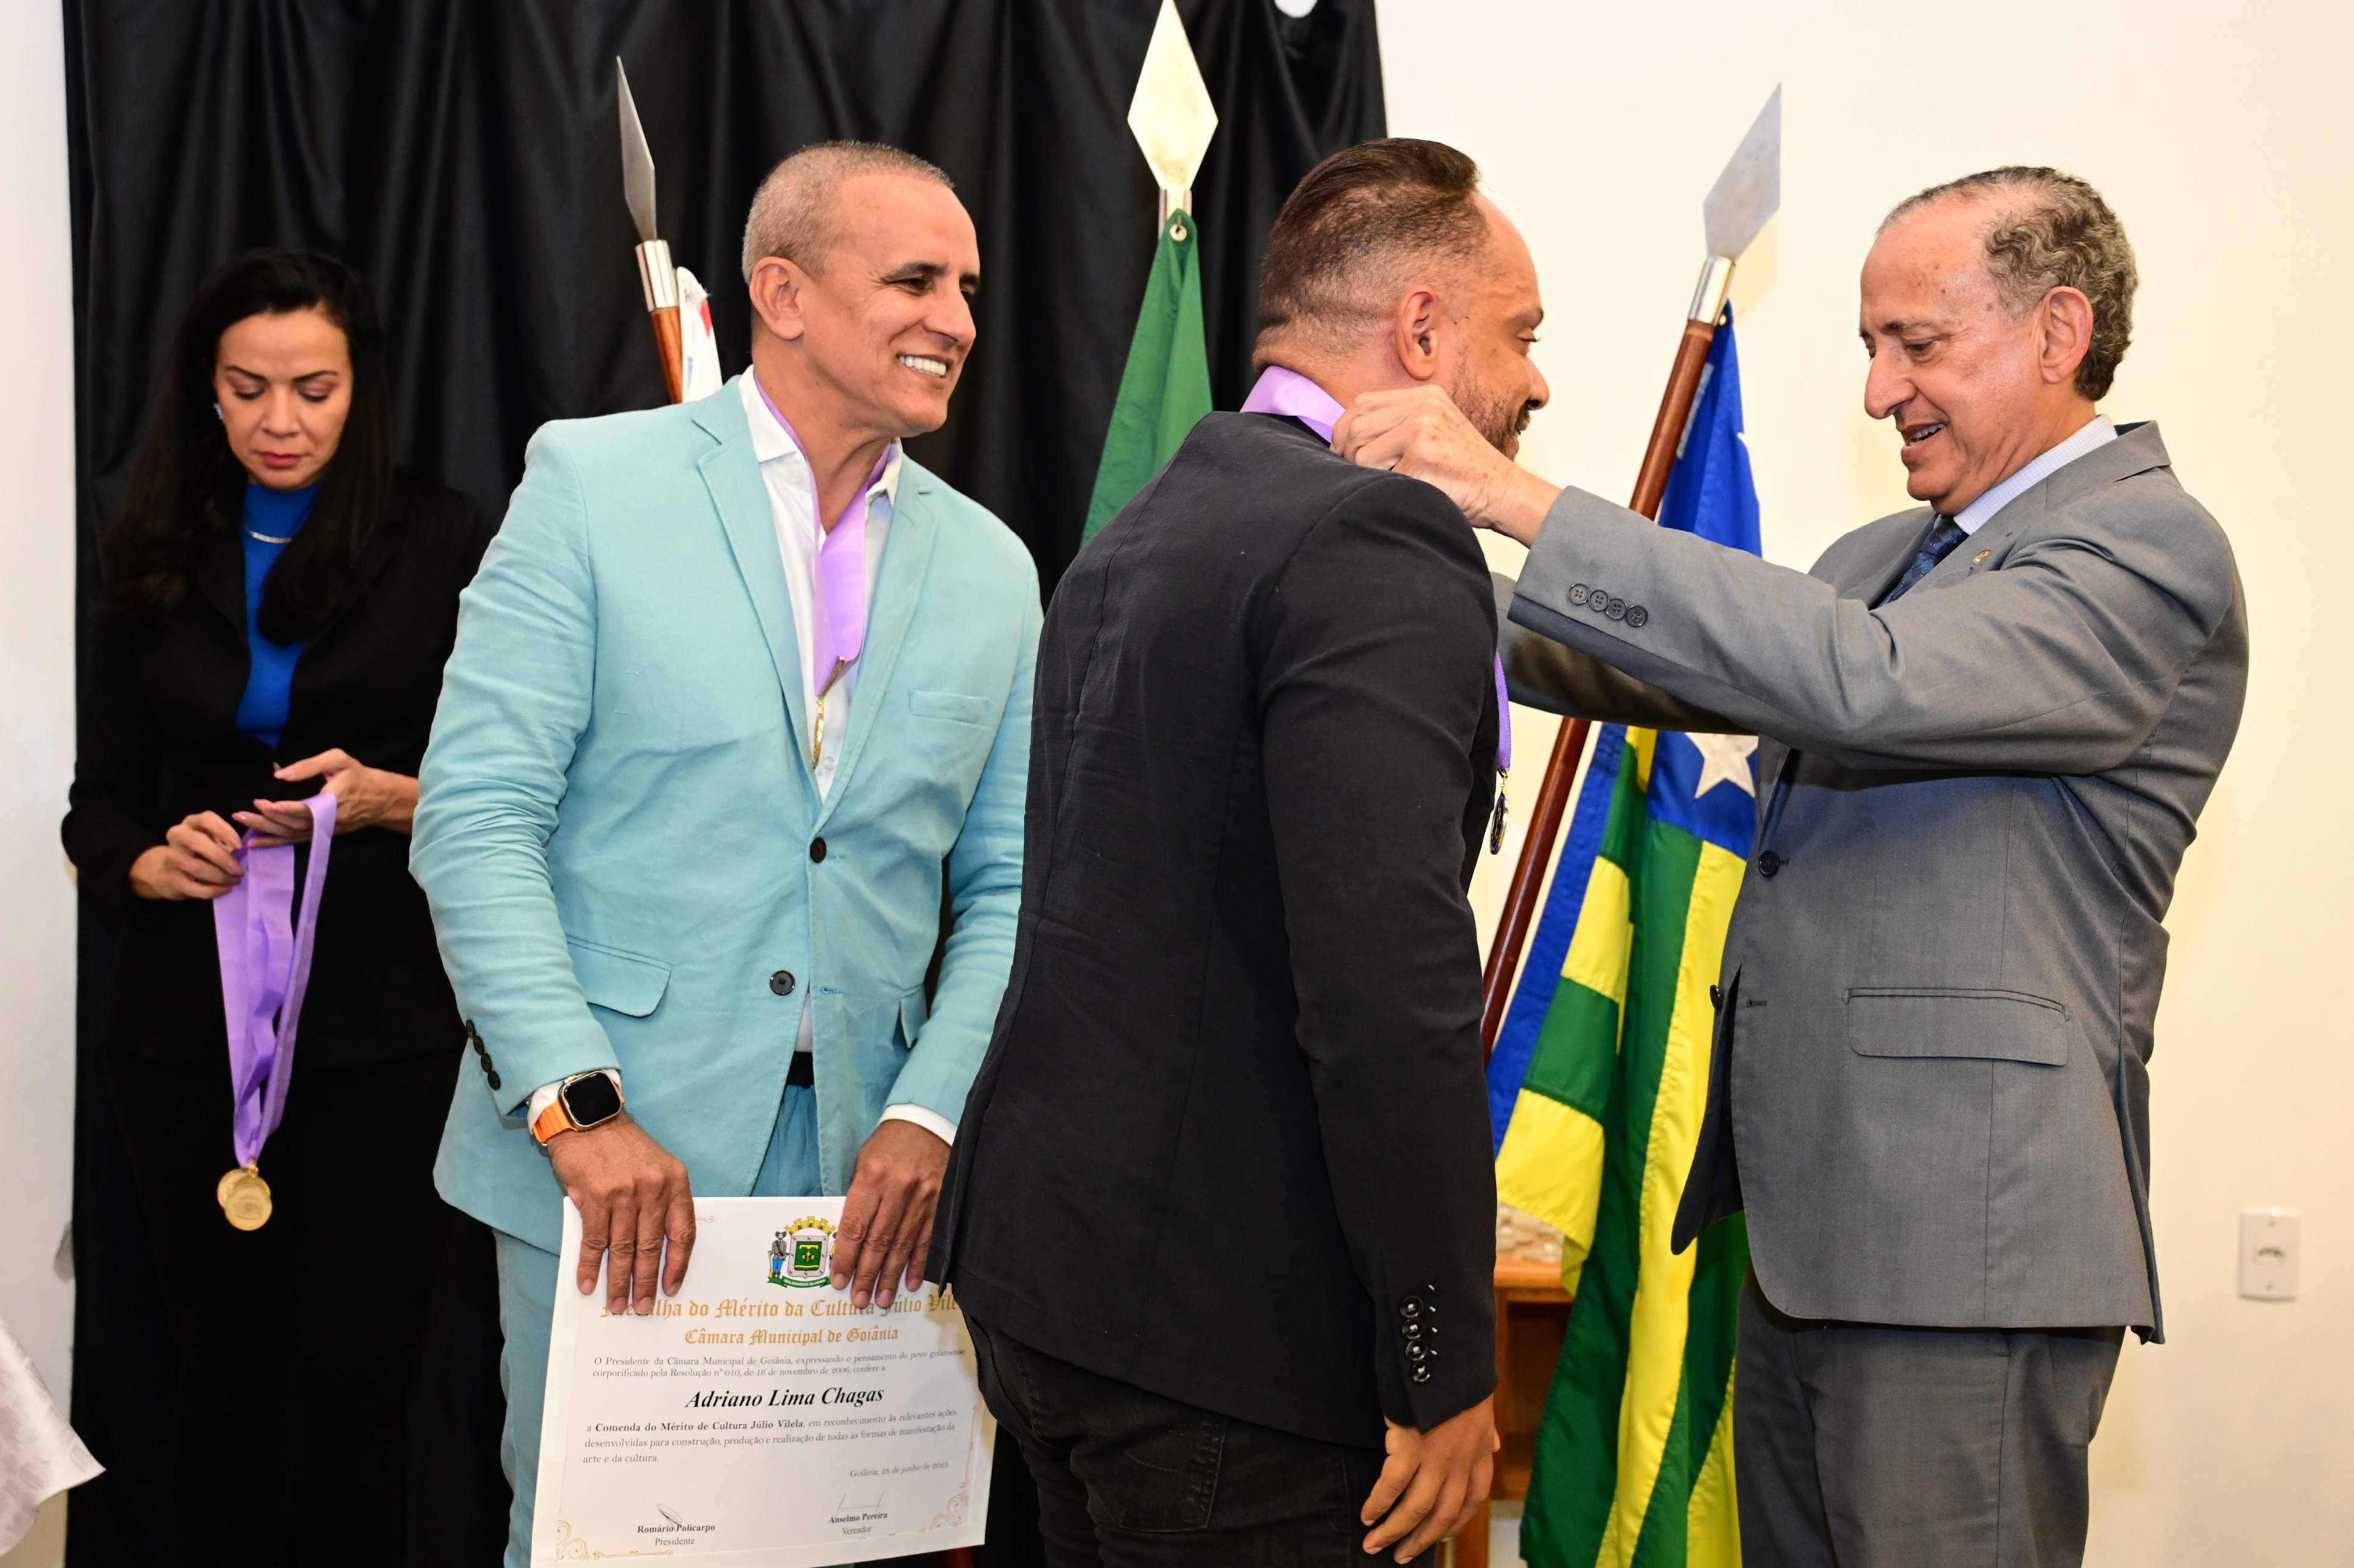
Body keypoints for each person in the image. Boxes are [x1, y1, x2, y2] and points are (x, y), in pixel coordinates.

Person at [1337, 167, 2245, 1567]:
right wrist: (1383, 581)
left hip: (1965, 1258)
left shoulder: (2144, 546)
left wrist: (1510, 493)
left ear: (2058, 332)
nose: (1879, 393)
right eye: (1871, 347)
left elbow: (1864, 681)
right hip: (1801, 1242)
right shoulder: (1884, 556)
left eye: (1916, 345)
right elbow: (1653, 661)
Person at [409, 141, 1038, 1564]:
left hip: (876, 1192)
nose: (956, 320)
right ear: (784, 294)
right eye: (916, 281)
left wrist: (935, 1116)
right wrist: (577, 1108)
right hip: (612, 1166)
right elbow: (476, 818)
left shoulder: (997, 568)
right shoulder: (593, 483)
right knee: (604, 1549)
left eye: (969, 290)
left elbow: (1009, 888)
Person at [931, 140, 1529, 1566]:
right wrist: (1442, 1355)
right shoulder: (1373, 536)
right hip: (1230, 1345)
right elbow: (1385, 993)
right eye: (1522, 333)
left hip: (1054, 1293)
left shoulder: (1149, 519)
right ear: (1423, 330)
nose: (1537, 381)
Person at [63, 248, 494, 1567]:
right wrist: (149, 862)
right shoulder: (152, 546)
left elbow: (524, 785)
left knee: (361, 1385)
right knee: (218, 1378)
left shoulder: (448, 540)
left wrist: (394, 799)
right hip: (183, 1029)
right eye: (248, 388)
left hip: (381, 1026)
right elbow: (100, 805)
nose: (281, 420)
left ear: (362, 388)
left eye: (314, 388)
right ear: (208, 388)